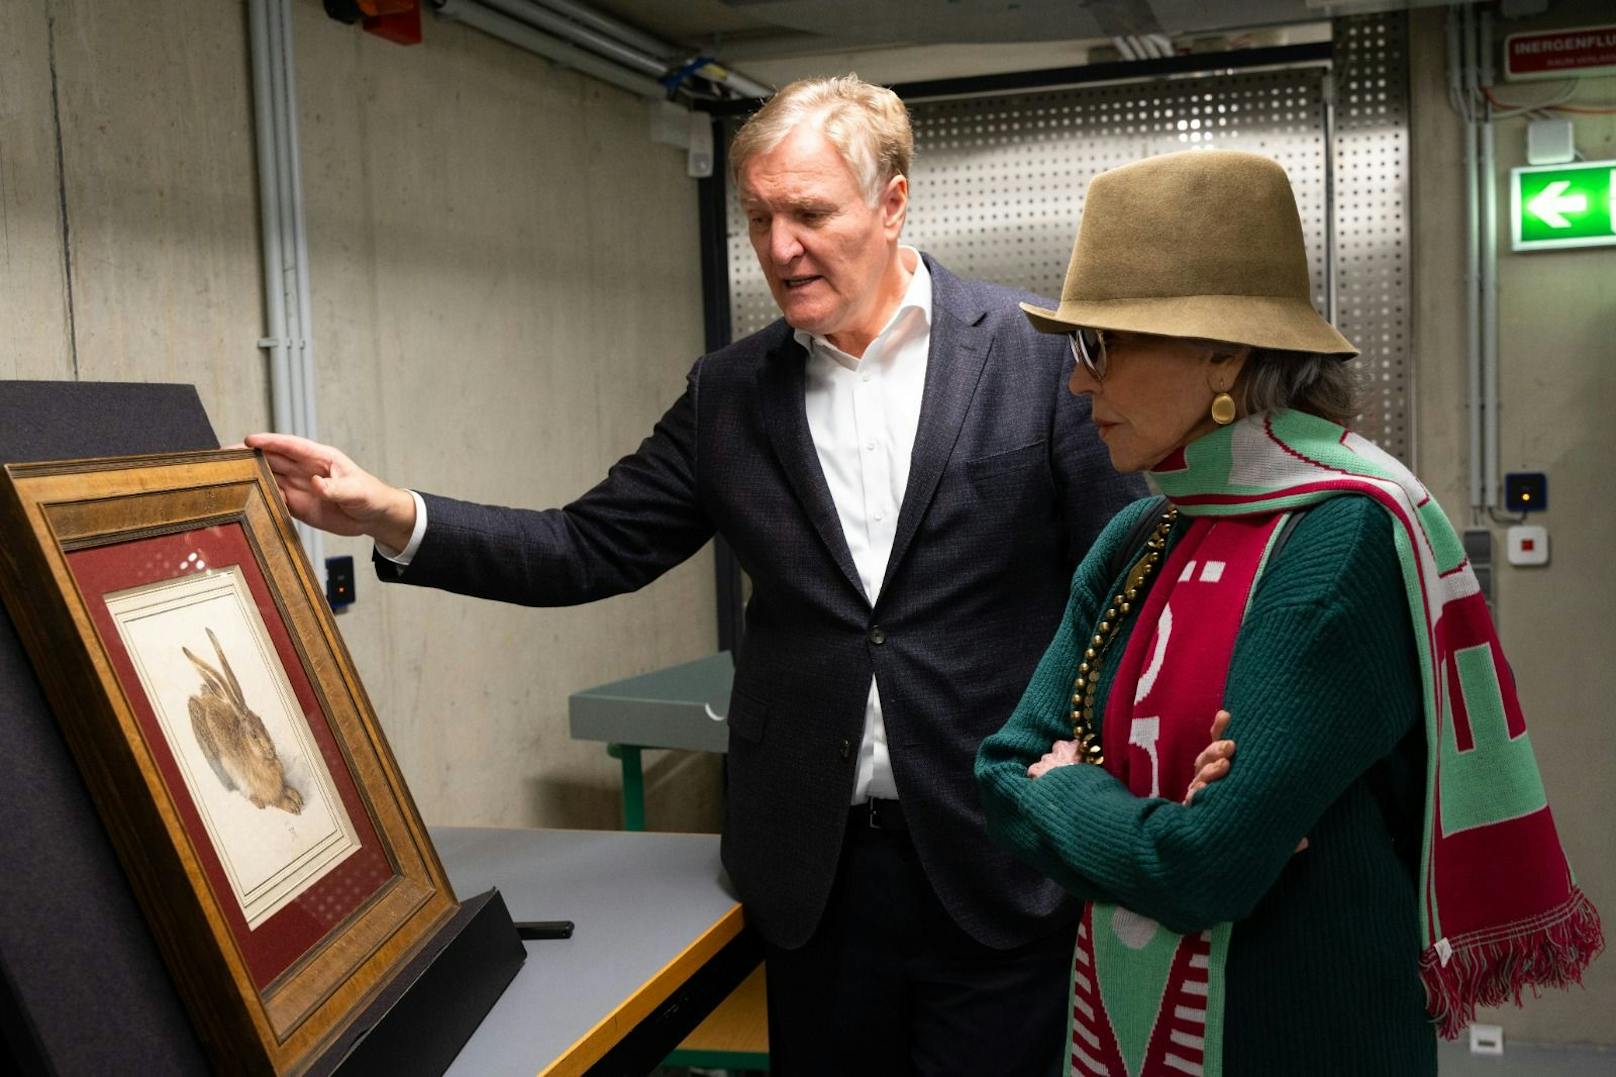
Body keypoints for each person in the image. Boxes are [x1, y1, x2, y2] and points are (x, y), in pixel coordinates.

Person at [249, 76, 1143, 1074]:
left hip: (999, 849)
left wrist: (1107, 783)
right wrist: (398, 515)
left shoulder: (1033, 355)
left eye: (808, 213)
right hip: (813, 870)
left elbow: (1121, 590)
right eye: (758, 217)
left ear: (892, 202)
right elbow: (587, 545)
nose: (778, 247)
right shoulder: (728, 392)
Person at [975, 149, 1602, 1075]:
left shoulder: (1340, 539)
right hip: (1120, 1022)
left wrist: (1069, 789)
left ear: (1222, 352)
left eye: (1099, 348)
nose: (1077, 383)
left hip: (1304, 1031)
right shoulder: (1142, 535)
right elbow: (999, 767)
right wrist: (1145, 818)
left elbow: (1205, 865)